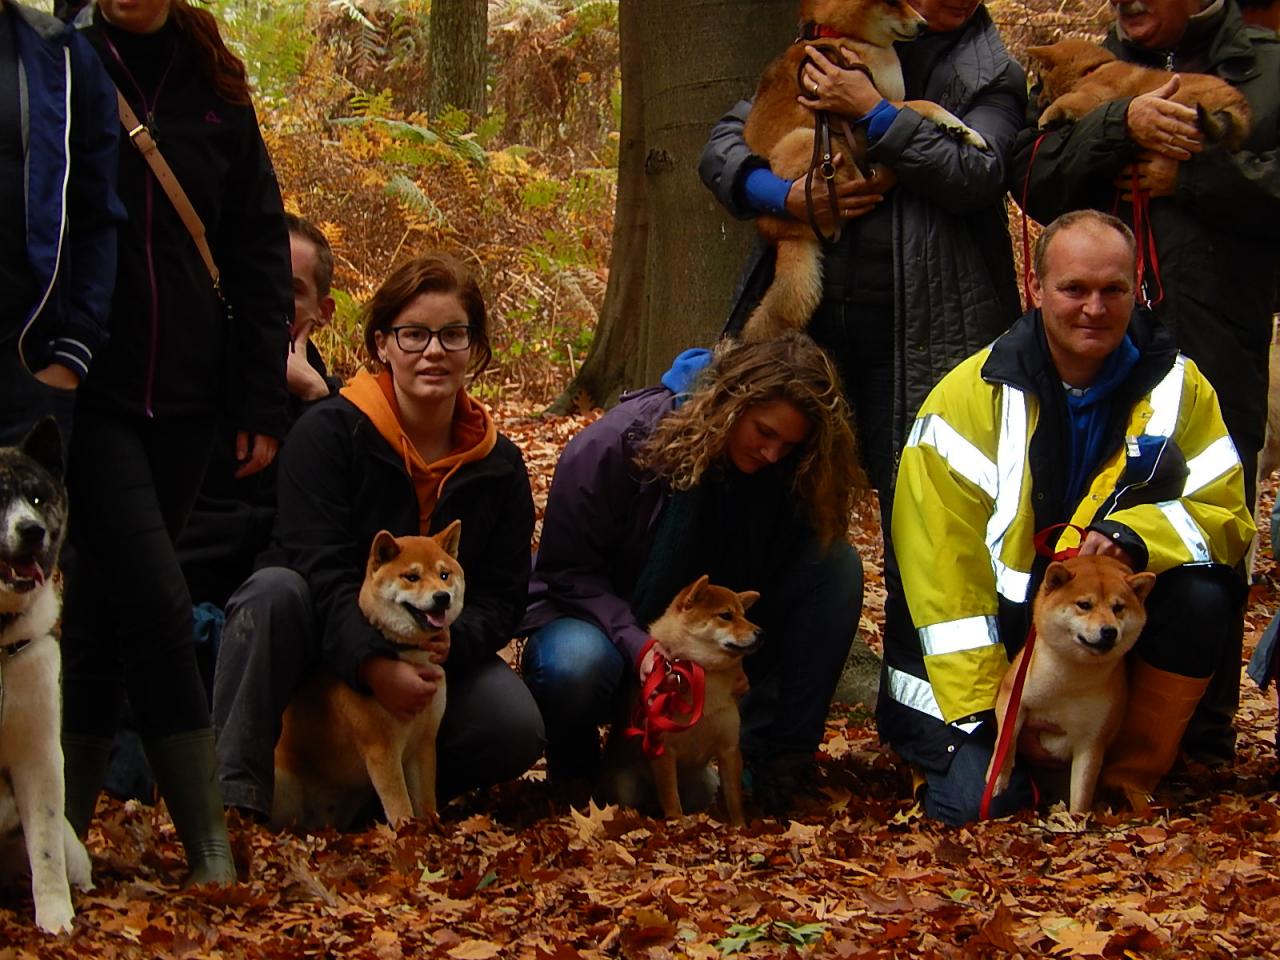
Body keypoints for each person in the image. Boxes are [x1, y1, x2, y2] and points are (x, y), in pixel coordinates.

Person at [878, 210, 1253, 825]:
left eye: (1113, 290)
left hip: (1095, 636)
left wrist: (1136, 539)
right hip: (984, 656)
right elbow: (943, 582)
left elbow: (1226, 516)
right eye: (1074, 289)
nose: (1094, 309)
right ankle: (982, 760)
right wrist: (996, 712)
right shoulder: (966, 399)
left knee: (1205, 594)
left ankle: (1124, 779)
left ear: (1138, 289)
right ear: (1036, 287)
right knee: (981, 807)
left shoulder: (1181, 388)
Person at [60, 0, 292, 885]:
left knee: (102, 615)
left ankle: (63, 838)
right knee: (157, 600)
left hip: (193, 397)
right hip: (89, 387)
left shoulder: (215, 81)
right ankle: (209, 845)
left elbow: (258, 247)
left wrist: (257, 401)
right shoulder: (63, 63)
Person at [1012, 0, 1280, 764]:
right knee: (1095, 518)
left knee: (1206, 528)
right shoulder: (1080, 65)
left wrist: (1189, 177)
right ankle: (1079, 728)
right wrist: (1118, 124)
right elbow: (1034, 177)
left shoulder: (1263, 66)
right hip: (1102, 340)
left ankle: (1198, 736)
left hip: (1214, 333)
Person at [212, 252, 544, 824]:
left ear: (476, 349)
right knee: (271, 594)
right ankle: (234, 800)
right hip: (321, 654)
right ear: (381, 345)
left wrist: (450, 644)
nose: (434, 351)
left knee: (513, 724)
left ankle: (375, 806)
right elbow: (314, 566)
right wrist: (370, 664)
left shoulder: (500, 467)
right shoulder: (328, 433)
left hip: (430, 660)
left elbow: (504, 595)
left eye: (453, 334)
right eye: (413, 335)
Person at [521, 332, 865, 811]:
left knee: (836, 567)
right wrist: (641, 645)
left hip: (706, 632)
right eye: (764, 432)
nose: (771, 453)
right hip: (599, 623)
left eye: (787, 444)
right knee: (574, 664)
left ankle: (773, 765)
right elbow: (566, 574)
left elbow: (774, 577)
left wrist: (735, 655)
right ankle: (575, 767)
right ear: (730, 402)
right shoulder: (618, 442)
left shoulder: (787, 469)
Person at [698, 0, 1026, 499]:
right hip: (816, 327)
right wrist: (783, 196)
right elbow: (725, 143)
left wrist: (873, 112)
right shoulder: (830, 43)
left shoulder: (992, 72)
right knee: (781, 501)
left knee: (919, 506)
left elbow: (976, 172)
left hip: (923, 333)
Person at [178, 213, 341, 611]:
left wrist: (313, 397)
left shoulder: (337, 410)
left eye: (291, 291)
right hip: (182, 598)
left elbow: (329, 530)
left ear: (323, 311)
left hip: (281, 610)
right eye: (260, 283)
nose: (272, 303)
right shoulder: (184, 382)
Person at [0, 0, 122, 452]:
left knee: (26, 525)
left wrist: (72, 354)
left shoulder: (60, 54)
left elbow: (98, 215)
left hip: (26, 373)